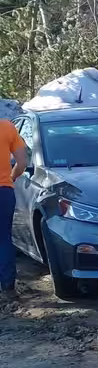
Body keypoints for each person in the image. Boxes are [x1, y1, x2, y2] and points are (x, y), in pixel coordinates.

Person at [1, 116, 30, 300]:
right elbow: (22, 163)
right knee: (3, 238)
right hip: (3, 191)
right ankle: (8, 288)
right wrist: (11, 177)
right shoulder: (7, 127)